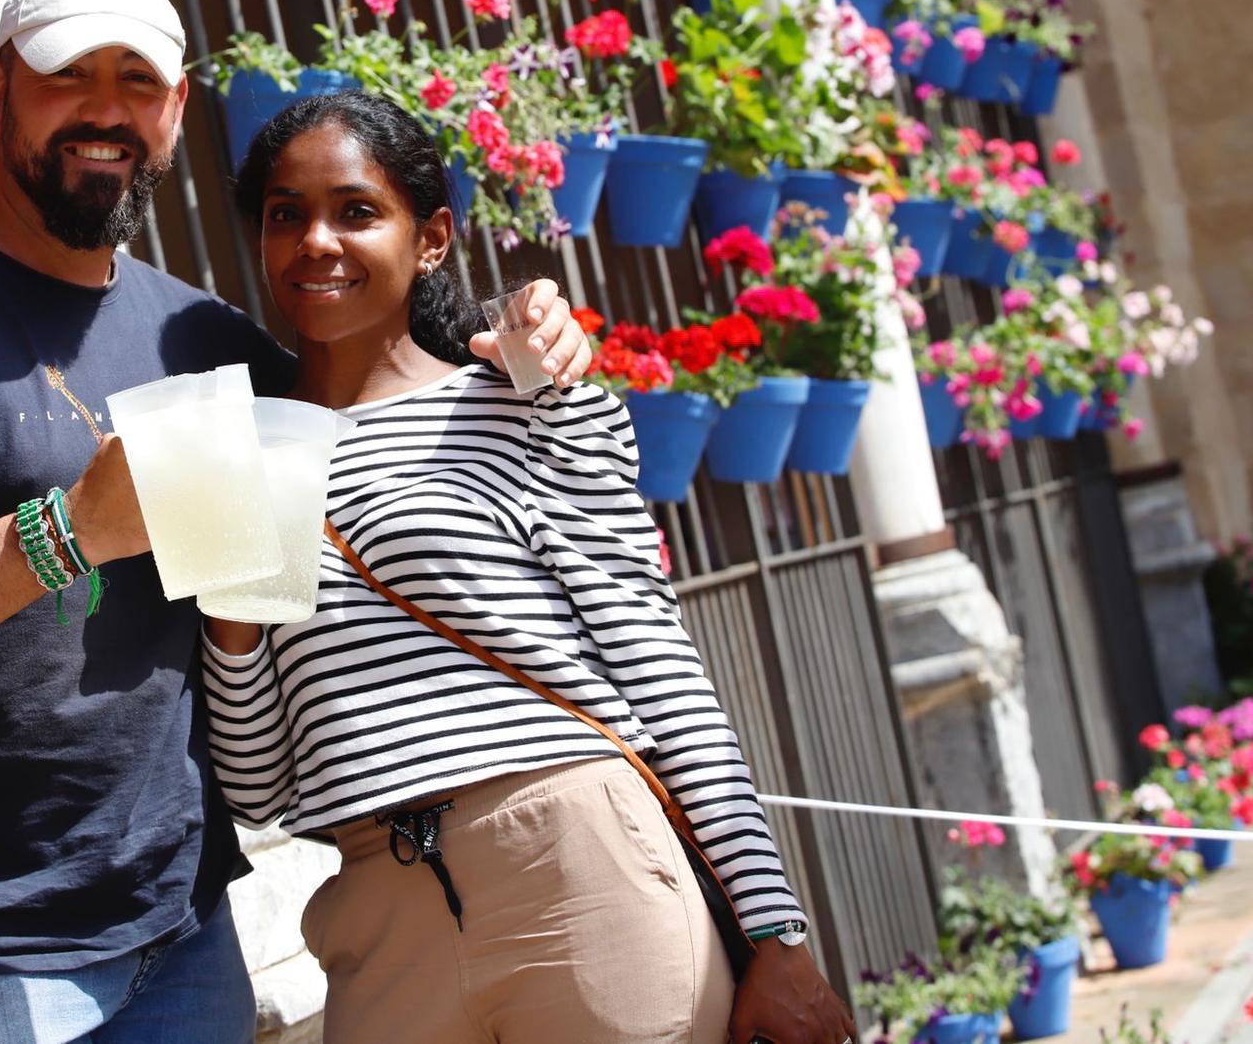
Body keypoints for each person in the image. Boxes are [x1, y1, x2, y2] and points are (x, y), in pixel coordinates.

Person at [0, 0, 593, 1042]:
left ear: (176, 108)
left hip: (177, 936)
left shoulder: (197, 336)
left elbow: (379, 400)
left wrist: (523, 336)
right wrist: (71, 530)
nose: (105, 111)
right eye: (67, 77)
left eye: (137, 83)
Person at [200, 93, 857, 1044]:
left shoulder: (529, 406)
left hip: (581, 872)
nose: (315, 241)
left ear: (430, 238)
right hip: (380, 916)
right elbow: (260, 788)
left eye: (354, 210)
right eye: (284, 214)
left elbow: (661, 671)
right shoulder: (233, 462)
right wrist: (232, 609)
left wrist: (777, 932)